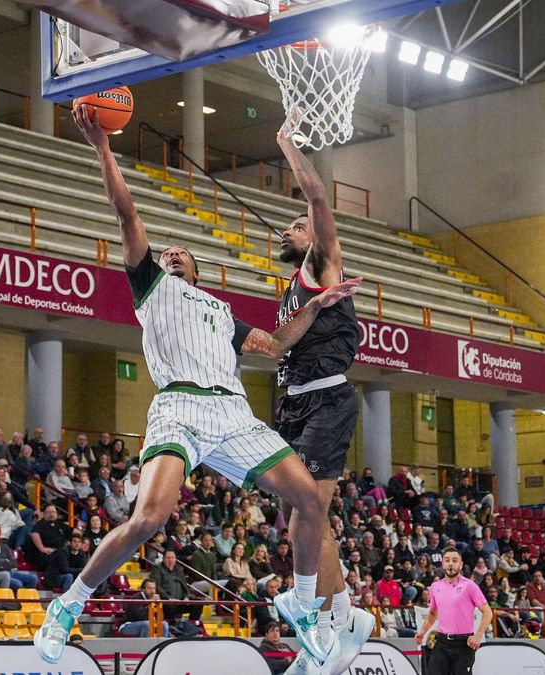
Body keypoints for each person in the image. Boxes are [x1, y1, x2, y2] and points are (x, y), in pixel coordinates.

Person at [35, 104, 361, 665]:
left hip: (233, 414)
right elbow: (126, 213)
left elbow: (275, 344)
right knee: (149, 518)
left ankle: (305, 605)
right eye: (166, 252)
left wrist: (317, 304)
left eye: (180, 252)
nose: (170, 252)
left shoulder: (219, 311)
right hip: (179, 408)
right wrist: (103, 148)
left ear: (197, 269)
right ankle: (68, 606)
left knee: (309, 498)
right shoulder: (150, 287)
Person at [414, 548, 494, 675]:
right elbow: (433, 613)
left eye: (454, 560)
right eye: (447, 560)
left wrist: (478, 635)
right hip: (442, 642)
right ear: (442, 564)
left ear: (461, 564)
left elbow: (488, 612)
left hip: (463, 644)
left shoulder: (470, 586)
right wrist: (422, 633)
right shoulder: (435, 586)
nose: (450, 563)